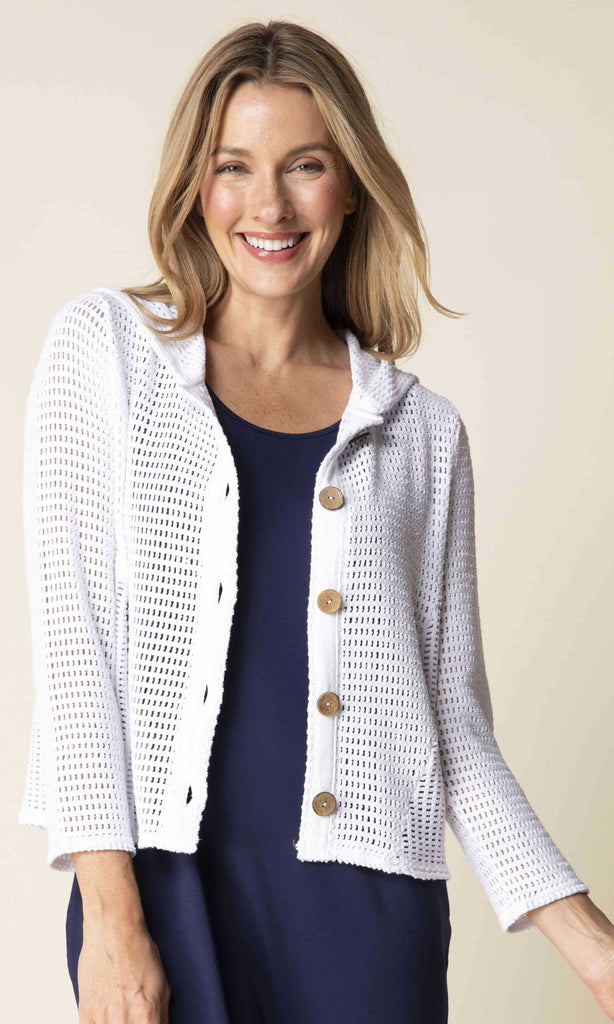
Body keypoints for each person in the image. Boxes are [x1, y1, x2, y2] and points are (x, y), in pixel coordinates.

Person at [17, 19, 614, 1024]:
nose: (270, 205)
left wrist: (594, 950)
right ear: (194, 187)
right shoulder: (107, 355)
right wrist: (111, 918)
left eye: (305, 165)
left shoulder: (419, 431)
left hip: (366, 920)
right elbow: (77, 654)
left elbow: (455, 730)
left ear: (351, 186)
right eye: (233, 167)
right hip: (166, 893)